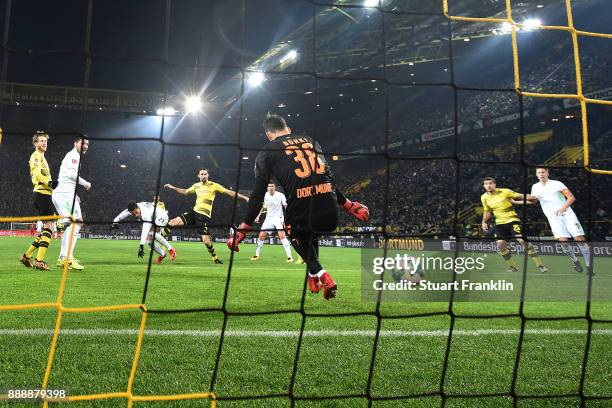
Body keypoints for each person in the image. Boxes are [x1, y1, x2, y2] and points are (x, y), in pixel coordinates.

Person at [227, 113, 369, 300]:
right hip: (330, 214)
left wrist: (244, 227)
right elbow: (329, 178)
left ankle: (320, 273)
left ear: (269, 135)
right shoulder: (311, 141)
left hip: (302, 215)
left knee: (291, 230)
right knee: (310, 235)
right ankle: (312, 275)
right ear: (289, 129)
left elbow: (257, 195)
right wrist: (348, 205)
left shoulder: (267, 152)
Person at [164, 169, 249, 264]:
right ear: (198, 176)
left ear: (208, 175)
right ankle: (159, 238)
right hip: (194, 212)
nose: (203, 176)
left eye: (205, 174)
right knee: (172, 222)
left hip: (204, 216)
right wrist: (172, 187)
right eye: (202, 174)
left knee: (206, 241)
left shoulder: (214, 185)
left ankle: (215, 257)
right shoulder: (196, 186)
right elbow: (185, 192)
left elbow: (230, 192)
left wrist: (245, 197)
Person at [480, 177, 548, 273]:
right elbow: (487, 211)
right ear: (484, 186)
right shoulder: (484, 197)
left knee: (521, 240)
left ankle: (540, 265)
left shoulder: (505, 191)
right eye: (486, 184)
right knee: (500, 244)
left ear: (495, 184)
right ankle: (513, 267)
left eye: (490, 183)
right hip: (499, 223)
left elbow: (520, 196)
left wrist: (532, 196)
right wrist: (484, 222)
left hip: (512, 220)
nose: (489, 185)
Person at [529, 167, 590, 273]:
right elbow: (534, 201)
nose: (541, 174)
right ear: (536, 174)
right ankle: (575, 261)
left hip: (567, 214)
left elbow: (571, 198)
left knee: (579, 238)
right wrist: (518, 201)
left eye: (543, 172)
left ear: (548, 173)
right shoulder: (535, 187)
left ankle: (589, 265)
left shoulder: (557, 184)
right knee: (563, 243)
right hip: (553, 218)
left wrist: (562, 209)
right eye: (538, 172)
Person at [52, 135, 91, 270]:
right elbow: (70, 175)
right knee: (74, 222)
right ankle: (65, 258)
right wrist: (85, 183)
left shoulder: (75, 156)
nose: (85, 146)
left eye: (87, 144)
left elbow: (66, 178)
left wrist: (75, 194)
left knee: (77, 223)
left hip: (67, 193)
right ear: (75, 143)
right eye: (83, 143)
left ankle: (65, 257)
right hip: (64, 194)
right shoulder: (74, 156)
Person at [20, 131, 57, 270]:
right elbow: (36, 173)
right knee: (49, 227)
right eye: (41, 141)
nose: (44, 142)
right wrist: (49, 183)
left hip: (44, 194)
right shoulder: (36, 156)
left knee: (46, 230)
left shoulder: (42, 156)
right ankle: (39, 261)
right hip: (41, 193)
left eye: (45, 141)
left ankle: (26, 256)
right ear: (35, 143)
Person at [251, 183, 294, 262]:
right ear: (267, 188)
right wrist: (258, 216)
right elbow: (263, 206)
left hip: (278, 218)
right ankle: (257, 255)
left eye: (272, 186)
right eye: (269, 186)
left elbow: (285, 205)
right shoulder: (265, 195)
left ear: (275, 188)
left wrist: (290, 214)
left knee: (282, 236)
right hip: (269, 219)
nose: (271, 188)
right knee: (261, 235)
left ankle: (290, 257)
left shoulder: (280, 195)